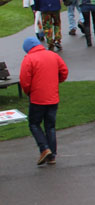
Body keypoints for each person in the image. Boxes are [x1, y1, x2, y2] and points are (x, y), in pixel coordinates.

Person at [18, 36, 68, 166]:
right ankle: (52, 155)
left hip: (37, 98)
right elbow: (64, 71)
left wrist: (28, 92)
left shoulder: (29, 59)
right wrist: (57, 81)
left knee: (34, 124)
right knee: (50, 126)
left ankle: (44, 148)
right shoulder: (53, 55)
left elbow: (25, 80)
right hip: (53, 97)